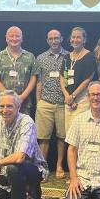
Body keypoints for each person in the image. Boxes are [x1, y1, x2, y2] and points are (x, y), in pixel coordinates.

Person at [35, 29, 69, 179]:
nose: (54, 41)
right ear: (47, 40)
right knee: (43, 137)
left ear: (61, 38)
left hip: (64, 103)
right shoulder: (41, 58)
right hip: (45, 103)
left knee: (62, 137)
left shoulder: (69, 56)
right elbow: (39, 82)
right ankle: (43, 168)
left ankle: (59, 165)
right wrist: (38, 102)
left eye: (56, 38)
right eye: (51, 39)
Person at [0, 26, 38, 117]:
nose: (14, 39)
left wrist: (21, 98)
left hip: (23, 104)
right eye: (11, 36)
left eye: (17, 36)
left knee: (24, 130)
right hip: (4, 105)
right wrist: (10, 98)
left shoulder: (30, 57)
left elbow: (33, 79)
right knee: (2, 130)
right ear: (6, 38)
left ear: (22, 38)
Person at [60, 27, 96, 133]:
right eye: (73, 37)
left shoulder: (89, 56)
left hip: (82, 101)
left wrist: (73, 96)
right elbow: (62, 77)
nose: (75, 40)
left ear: (84, 40)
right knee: (69, 134)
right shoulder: (67, 57)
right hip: (68, 101)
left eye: (78, 37)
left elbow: (87, 79)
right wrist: (67, 96)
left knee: (81, 133)